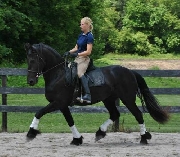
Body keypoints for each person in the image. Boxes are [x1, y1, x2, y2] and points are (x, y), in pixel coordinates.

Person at [64, 17, 94, 103]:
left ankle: (87, 95)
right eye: (80, 24)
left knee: (79, 73)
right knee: (68, 72)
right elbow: (76, 47)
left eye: (82, 24)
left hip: (84, 59)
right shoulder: (81, 35)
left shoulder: (89, 36)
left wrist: (77, 54)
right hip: (77, 58)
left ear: (87, 25)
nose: (80, 26)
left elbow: (88, 52)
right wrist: (69, 52)